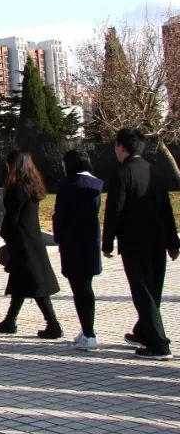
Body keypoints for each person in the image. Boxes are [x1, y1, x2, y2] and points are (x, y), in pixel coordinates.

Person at [103, 127, 180, 361]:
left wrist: (107, 242)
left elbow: (114, 210)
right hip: (156, 241)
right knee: (152, 289)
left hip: (134, 243)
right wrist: (172, 242)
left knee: (143, 292)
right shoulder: (154, 171)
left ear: (122, 147)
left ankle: (159, 345)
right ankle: (143, 332)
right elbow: (166, 209)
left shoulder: (122, 174)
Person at [0, 151, 63, 339]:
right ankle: (10, 320)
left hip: (22, 241)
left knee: (34, 284)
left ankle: (53, 324)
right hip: (31, 238)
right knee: (20, 283)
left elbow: (12, 216)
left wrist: (4, 233)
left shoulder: (17, 188)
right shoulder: (32, 185)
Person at [53, 149, 104, 351]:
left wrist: (59, 238)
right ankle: (87, 329)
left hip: (72, 243)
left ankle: (89, 334)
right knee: (86, 286)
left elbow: (59, 215)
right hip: (90, 241)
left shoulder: (67, 185)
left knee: (80, 290)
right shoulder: (97, 183)